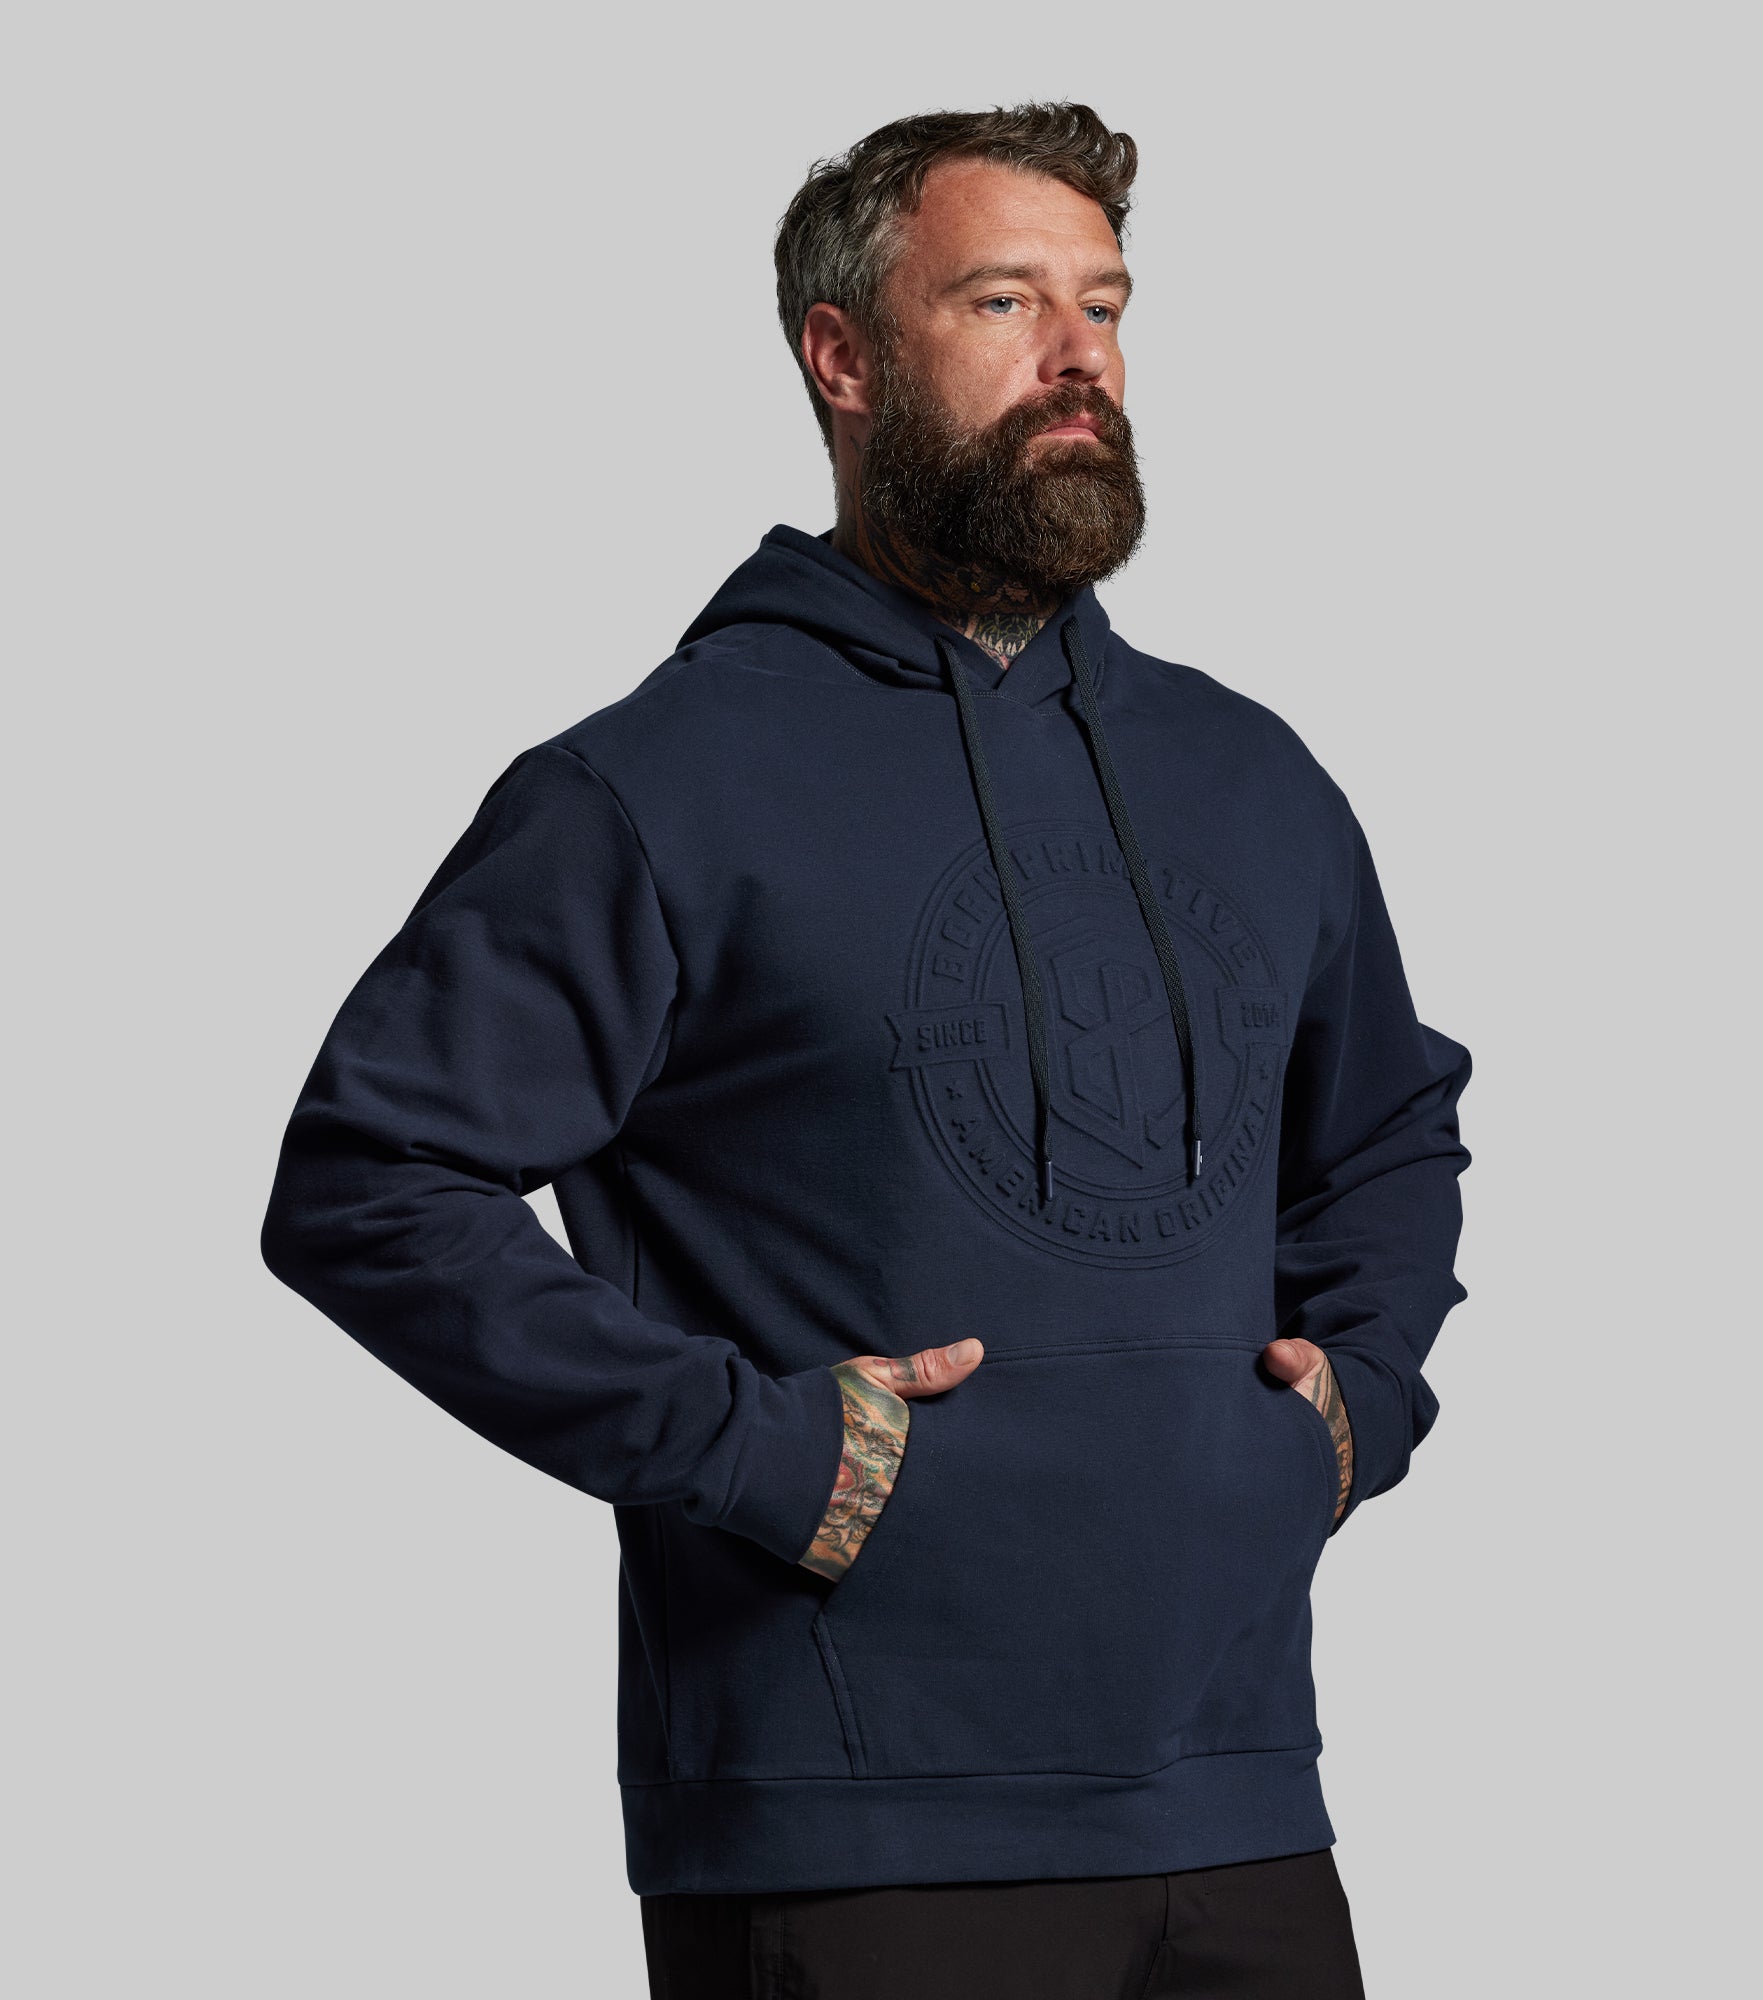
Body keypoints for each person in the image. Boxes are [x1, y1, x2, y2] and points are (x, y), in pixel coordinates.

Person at [262, 101, 1473, 1999]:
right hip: (847, 1835)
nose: (1079, 355)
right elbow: (370, 1180)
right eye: (1004, 301)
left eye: (1104, 304)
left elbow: (1390, 1129)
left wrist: (1353, 1411)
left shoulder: (1251, 775)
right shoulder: (653, 786)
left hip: (1238, 1808)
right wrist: (757, 1452)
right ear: (842, 358)